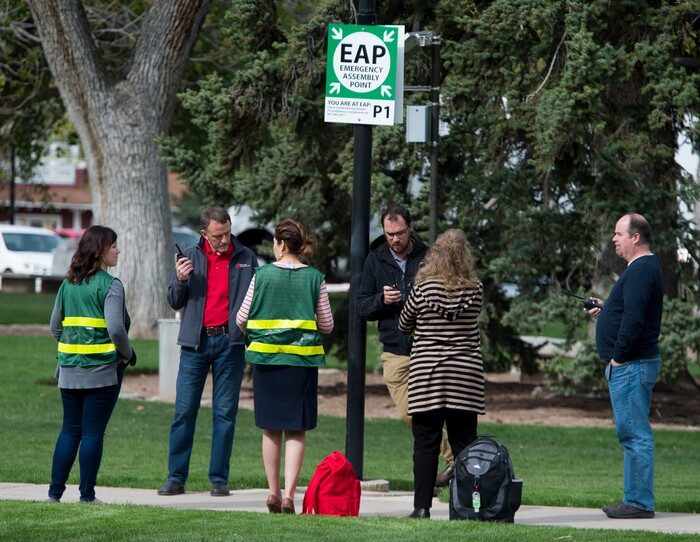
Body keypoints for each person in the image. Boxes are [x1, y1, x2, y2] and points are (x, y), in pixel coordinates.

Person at [158, 206, 257, 497]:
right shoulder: (188, 256)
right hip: (195, 343)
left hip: (231, 344)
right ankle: (175, 478)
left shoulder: (246, 257)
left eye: (227, 233)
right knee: (184, 412)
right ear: (204, 234)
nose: (225, 240)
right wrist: (181, 279)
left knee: (225, 413)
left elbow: (257, 297)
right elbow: (174, 301)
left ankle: (219, 480)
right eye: (218, 236)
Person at [236, 219, 334, 514]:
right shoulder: (315, 278)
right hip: (302, 364)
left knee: (270, 428)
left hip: (266, 362)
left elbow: (241, 318)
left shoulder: (261, 275)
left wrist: (256, 335)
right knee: (296, 429)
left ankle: (273, 492)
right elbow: (327, 324)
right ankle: (290, 495)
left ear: (279, 244)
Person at [357, 205, 454, 487]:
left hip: (428, 347)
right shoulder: (375, 260)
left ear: (410, 227)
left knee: (437, 410)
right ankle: (456, 457)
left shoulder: (429, 257)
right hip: (395, 351)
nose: (394, 240)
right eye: (389, 234)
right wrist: (380, 300)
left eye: (399, 233)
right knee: (409, 413)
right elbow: (362, 306)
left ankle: (452, 466)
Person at [398, 228, 485, 519]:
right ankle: (465, 508)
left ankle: (422, 507)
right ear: (465, 255)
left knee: (426, 445)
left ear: (435, 254)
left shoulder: (422, 288)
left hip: (428, 376)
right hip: (465, 377)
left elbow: (404, 323)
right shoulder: (475, 288)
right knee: (465, 445)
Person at [47, 225, 136, 504]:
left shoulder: (67, 284)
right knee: (93, 432)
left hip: (69, 371)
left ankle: (54, 494)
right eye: (113, 246)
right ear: (100, 252)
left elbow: (54, 328)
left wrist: (73, 350)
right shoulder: (111, 285)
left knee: (70, 430)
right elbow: (116, 329)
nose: (118, 250)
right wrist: (127, 354)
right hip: (102, 372)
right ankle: (87, 496)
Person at [586, 213, 663, 519]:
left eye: (619, 234)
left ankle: (639, 503)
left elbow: (634, 319)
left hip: (630, 364)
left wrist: (618, 358)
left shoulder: (641, 270)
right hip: (632, 364)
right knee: (632, 433)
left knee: (634, 434)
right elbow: (630, 310)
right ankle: (636, 499)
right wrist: (607, 311)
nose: (613, 239)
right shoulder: (641, 269)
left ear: (636, 237)